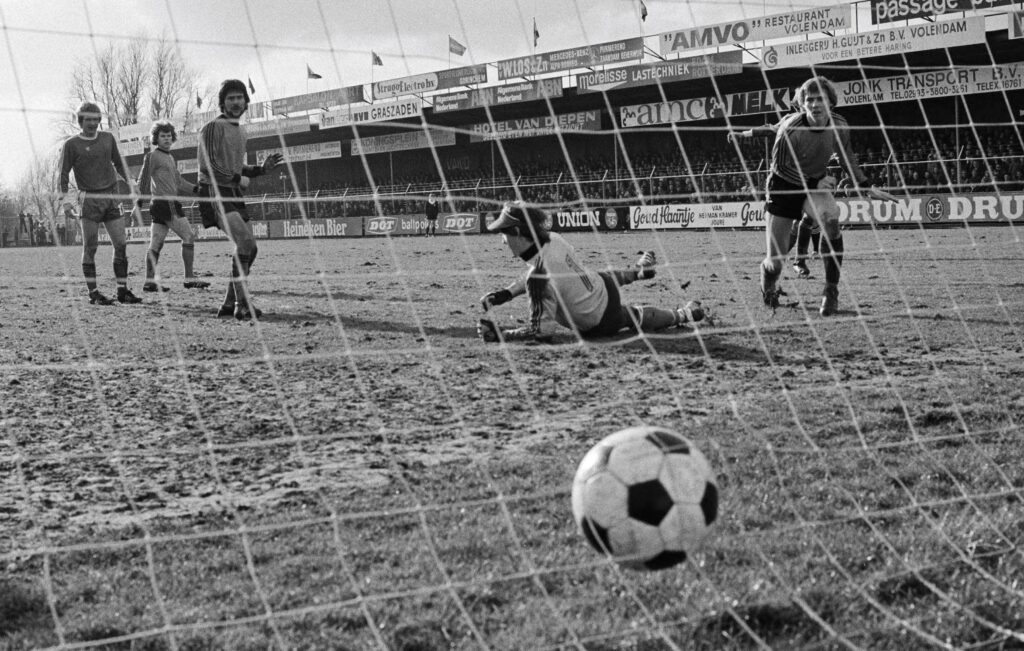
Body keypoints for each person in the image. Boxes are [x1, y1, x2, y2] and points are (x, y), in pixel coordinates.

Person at [727, 76, 894, 316]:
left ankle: (831, 290)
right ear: (802, 104)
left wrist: (866, 185)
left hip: (813, 187)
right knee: (775, 261)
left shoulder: (839, 125)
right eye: (810, 99)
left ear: (831, 102)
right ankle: (768, 282)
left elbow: (845, 155)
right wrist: (815, 180)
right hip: (784, 187)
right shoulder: (789, 127)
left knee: (831, 218)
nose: (815, 104)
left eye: (821, 99)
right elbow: (780, 168)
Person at [477, 202, 704, 344]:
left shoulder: (539, 277)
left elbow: (541, 333)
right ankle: (639, 272)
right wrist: (506, 294)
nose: (502, 240)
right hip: (598, 285)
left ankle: (684, 314)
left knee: (632, 316)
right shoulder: (553, 239)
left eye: (503, 233)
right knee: (599, 277)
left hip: (598, 319)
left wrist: (500, 334)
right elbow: (537, 271)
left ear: (517, 232)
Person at [197, 79, 282, 320]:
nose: (236, 102)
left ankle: (228, 303)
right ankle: (243, 305)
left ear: (246, 102)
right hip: (214, 191)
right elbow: (210, 165)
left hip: (231, 192)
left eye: (239, 98)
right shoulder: (212, 127)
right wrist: (236, 178)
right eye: (231, 98)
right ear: (222, 103)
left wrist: (259, 170)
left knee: (250, 248)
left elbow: (236, 166)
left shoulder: (241, 131)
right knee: (244, 243)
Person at [57, 101, 142, 305]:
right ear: (80, 121)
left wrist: (130, 181)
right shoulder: (71, 145)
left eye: (96, 119)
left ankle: (122, 291)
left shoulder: (107, 138)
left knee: (121, 244)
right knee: (90, 247)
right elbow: (62, 174)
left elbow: (118, 163)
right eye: (89, 120)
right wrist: (66, 202)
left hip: (111, 197)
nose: (93, 123)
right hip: (89, 200)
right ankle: (93, 293)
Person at [135, 119, 209, 292]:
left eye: (169, 136)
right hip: (166, 204)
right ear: (156, 138)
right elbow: (143, 180)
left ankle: (149, 281)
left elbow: (178, 182)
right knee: (189, 236)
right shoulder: (152, 156)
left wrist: (198, 190)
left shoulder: (169, 157)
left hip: (161, 205)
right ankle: (189, 278)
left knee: (156, 243)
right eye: (163, 136)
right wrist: (138, 204)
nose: (167, 139)